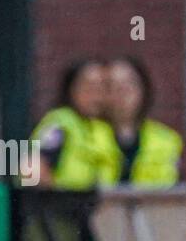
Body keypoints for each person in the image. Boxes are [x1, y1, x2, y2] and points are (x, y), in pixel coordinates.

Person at [23, 58, 119, 189]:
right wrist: (60, 199)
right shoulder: (59, 124)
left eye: (102, 88)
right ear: (71, 89)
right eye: (89, 87)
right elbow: (31, 171)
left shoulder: (104, 129)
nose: (95, 95)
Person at [106, 56, 182, 186]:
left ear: (143, 89)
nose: (122, 92)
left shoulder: (166, 139)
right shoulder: (86, 133)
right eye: (113, 85)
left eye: (129, 83)